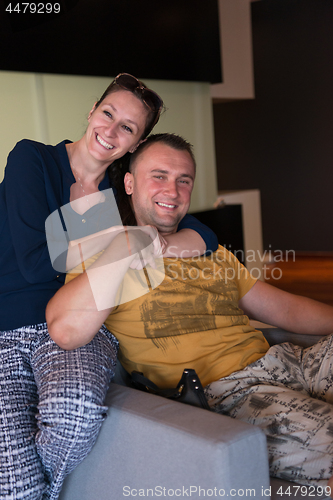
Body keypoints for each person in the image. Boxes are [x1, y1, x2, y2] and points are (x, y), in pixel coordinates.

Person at [47, 132, 333, 494]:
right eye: (160, 176)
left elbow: (283, 307)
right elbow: (65, 329)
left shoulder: (208, 249)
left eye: (184, 180)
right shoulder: (104, 256)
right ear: (130, 183)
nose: (174, 190)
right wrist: (126, 244)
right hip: (232, 393)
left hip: (289, 359)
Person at [0, 75, 218, 500]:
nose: (111, 131)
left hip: (78, 323)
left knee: (76, 417)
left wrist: (158, 241)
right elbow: (32, 264)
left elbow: (203, 234)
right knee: (13, 485)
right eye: (108, 114)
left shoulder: (120, 192)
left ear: (136, 143)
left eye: (128, 128)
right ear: (92, 110)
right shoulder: (33, 160)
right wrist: (125, 238)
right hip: (4, 329)